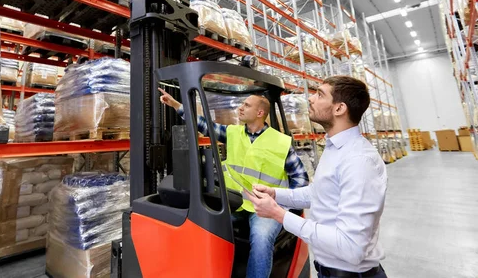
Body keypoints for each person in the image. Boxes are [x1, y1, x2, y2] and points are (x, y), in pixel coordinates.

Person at [158, 88, 309, 278]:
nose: (240, 108)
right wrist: (176, 105)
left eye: (246, 105)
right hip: (236, 203)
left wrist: (282, 207)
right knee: (200, 223)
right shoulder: (233, 133)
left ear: (260, 113)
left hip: (265, 208)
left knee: (261, 238)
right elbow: (205, 126)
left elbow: (301, 181)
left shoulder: (280, 142)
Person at [247, 76, 388, 278]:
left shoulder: (358, 161)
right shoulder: (334, 148)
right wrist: (276, 194)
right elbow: (319, 193)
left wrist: (279, 214)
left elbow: (351, 247)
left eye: (320, 94)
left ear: (339, 109)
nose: (310, 99)